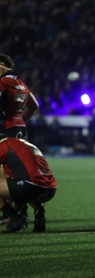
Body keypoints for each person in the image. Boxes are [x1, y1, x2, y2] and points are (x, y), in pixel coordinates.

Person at [0, 54, 41, 228]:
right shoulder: (20, 84)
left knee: (5, 173)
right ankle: (24, 212)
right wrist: (20, 119)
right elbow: (34, 106)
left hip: (5, 129)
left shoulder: (3, 83)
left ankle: (11, 214)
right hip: (20, 129)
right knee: (20, 170)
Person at [0, 135, 57, 232]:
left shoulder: (4, 144)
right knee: (28, 183)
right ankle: (39, 211)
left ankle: (13, 216)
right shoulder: (28, 145)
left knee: (20, 183)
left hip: (28, 187)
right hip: (50, 189)